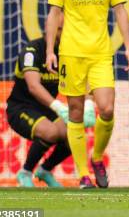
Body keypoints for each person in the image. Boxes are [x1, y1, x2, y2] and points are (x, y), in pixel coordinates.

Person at [45, 0, 129, 189]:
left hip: (100, 53)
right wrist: (51, 49)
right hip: (71, 53)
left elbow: (119, 10)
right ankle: (83, 174)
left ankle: (97, 159)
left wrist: (128, 46)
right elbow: (53, 13)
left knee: (106, 108)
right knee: (74, 113)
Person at [6, 21, 96, 188]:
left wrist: (90, 104)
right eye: (62, 29)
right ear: (51, 30)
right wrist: (59, 107)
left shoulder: (67, 53)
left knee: (75, 133)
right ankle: (25, 172)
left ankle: (45, 170)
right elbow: (33, 86)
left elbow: (84, 81)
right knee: (51, 132)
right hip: (21, 108)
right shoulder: (32, 51)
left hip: (47, 109)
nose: (67, 34)